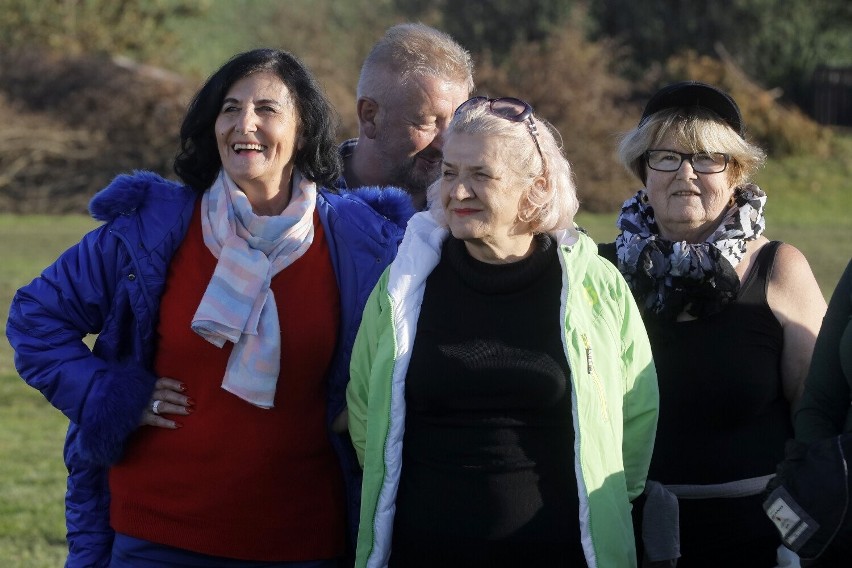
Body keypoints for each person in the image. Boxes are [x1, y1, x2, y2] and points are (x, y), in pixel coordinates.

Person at [6, 48, 414, 567]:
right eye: (230, 108)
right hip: (157, 535)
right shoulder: (151, 228)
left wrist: (359, 412)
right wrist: (109, 395)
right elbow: (36, 317)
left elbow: (409, 360)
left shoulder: (364, 242)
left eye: (267, 109)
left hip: (302, 537)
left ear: (304, 130)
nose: (245, 123)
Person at [347, 96, 659, 568]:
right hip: (424, 549)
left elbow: (637, 413)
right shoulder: (405, 283)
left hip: (562, 553)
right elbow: (364, 407)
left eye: (481, 175)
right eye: (450, 172)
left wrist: (610, 502)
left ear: (534, 189)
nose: (458, 191)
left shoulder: (594, 285)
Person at [599, 81, 827, 567]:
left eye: (707, 158)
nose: (686, 173)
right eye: (666, 157)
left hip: (758, 540)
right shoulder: (600, 273)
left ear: (736, 172)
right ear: (643, 168)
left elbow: (819, 411)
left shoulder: (779, 270)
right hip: (625, 536)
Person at [337, 23, 474, 209]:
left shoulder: (467, 213)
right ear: (370, 116)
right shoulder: (298, 200)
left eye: (456, 121)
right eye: (427, 122)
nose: (445, 143)